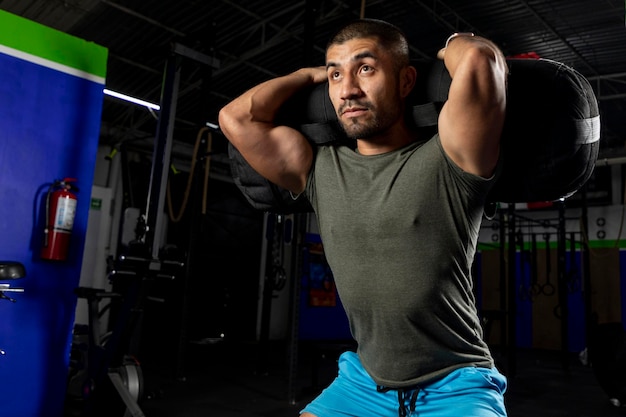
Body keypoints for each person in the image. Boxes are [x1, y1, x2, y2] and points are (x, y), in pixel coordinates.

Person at [219, 18, 508, 417]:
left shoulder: (452, 157)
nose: (348, 90)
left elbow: (479, 59)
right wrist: (308, 76)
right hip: (363, 382)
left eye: (366, 68)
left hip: (455, 383)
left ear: (406, 82)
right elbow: (236, 119)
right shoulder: (318, 169)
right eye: (337, 74)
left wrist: (450, 47)